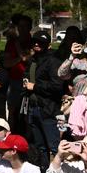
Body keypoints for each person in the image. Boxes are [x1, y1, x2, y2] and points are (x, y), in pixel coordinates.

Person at [24, 32, 66, 165]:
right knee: (39, 147)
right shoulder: (32, 60)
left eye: (41, 42)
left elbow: (57, 86)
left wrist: (35, 87)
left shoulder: (53, 61)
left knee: (54, 148)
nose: (36, 44)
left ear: (48, 45)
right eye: (34, 42)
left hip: (49, 110)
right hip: (33, 108)